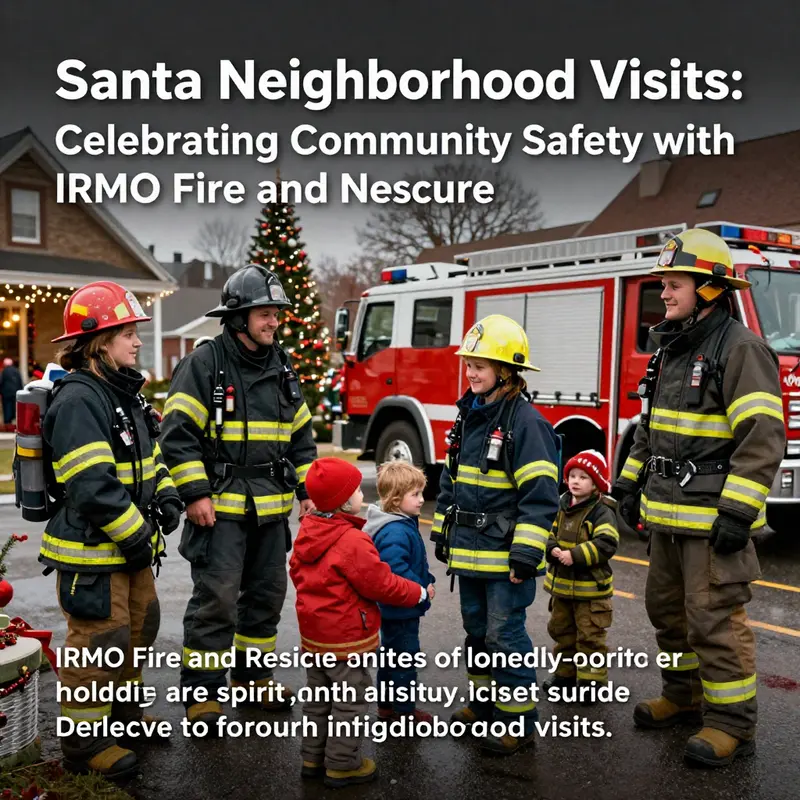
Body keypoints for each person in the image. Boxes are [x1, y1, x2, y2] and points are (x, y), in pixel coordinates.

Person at [613, 229, 786, 767]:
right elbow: (652, 429)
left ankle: (732, 724)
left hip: (713, 520)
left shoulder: (740, 349)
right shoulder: (672, 348)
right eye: (662, 283)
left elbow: (761, 437)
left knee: (712, 618)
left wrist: (737, 511)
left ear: (709, 288)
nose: (664, 293)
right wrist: (627, 482)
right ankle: (684, 695)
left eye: (674, 283)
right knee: (667, 612)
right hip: (667, 515)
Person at [159, 264, 317, 730]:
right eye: (265, 313)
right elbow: (177, 435)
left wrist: (307, 491)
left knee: (265, 599)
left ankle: (253, 680)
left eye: (276, 314)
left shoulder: (282, 364)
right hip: (219, 510)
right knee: (218, 601)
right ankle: (203, 694)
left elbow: (302, 438)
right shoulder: (204, 364)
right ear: (238, 316)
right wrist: (194, 493)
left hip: (270, 510)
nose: (274, 322)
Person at [40, 281, 183, 778]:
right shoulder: (81, 400)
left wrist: (165, 493)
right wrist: (138, 535)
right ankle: (84, 748)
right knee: (100, 641)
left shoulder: (123, 393)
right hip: (94, 553)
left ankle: (122, 719)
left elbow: (149, 457)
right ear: (100, 340)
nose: (138, 341)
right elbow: (91, 485)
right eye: (128, 333)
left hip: (128, 549)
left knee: (138, 630)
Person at [430, 314, 561, 755]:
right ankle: (483, 705)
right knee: (477, 632)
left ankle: (516, 721)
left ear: (506, 371)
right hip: (470, 555)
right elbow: (452, 478)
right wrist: (441, 529)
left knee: (506, 636)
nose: (471, 372)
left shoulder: (526, 424)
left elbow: (540, 496)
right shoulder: (470, 415)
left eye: (480, 365)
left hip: (506, 559)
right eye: (469, 364)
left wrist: (526, 553)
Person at [290, 457, 427, 788]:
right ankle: (343, 764)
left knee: (318, 699)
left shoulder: (308, 530)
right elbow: (380, 583)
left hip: (315, 637)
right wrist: (418, 592)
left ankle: (313, 757)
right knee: (349, 702)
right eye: (355, 491)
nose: (361, 496)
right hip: (346, 640)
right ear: (342, 500)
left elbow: (297, 571)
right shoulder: (351, 540)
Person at [363, 460, 436, 723]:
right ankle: (404, 712)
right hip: (401, 607)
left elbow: (411, 562)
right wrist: (422, 588)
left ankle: (386, 706)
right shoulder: (395, 530)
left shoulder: (400, 522)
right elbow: (396, 570)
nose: (421, 500)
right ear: (395, 499)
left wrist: (426, 578)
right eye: (415, 494)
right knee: (404, 659)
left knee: (390, 658)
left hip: (395, 606)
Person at [543, 450, 618, 700]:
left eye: (583, 477)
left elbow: (607, 543)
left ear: (596, 483)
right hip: (562, 588)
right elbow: (549, 531)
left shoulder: (601, 511)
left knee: (590, 636)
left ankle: (591, 684)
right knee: (562, 632)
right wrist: (551, 546)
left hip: (590, 592)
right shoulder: (562, 505)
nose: (575, 481)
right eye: (572, 475)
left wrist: (574, 555)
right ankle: (565, 676)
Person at [0, 356, 23, 424]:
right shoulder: (16, 370)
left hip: (6, 393)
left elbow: (1, 381)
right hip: (15, 392)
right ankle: (14, 419)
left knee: (7, 406)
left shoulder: (4, 371)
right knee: (14, 406)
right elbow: (20, 381)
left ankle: (7, 421)